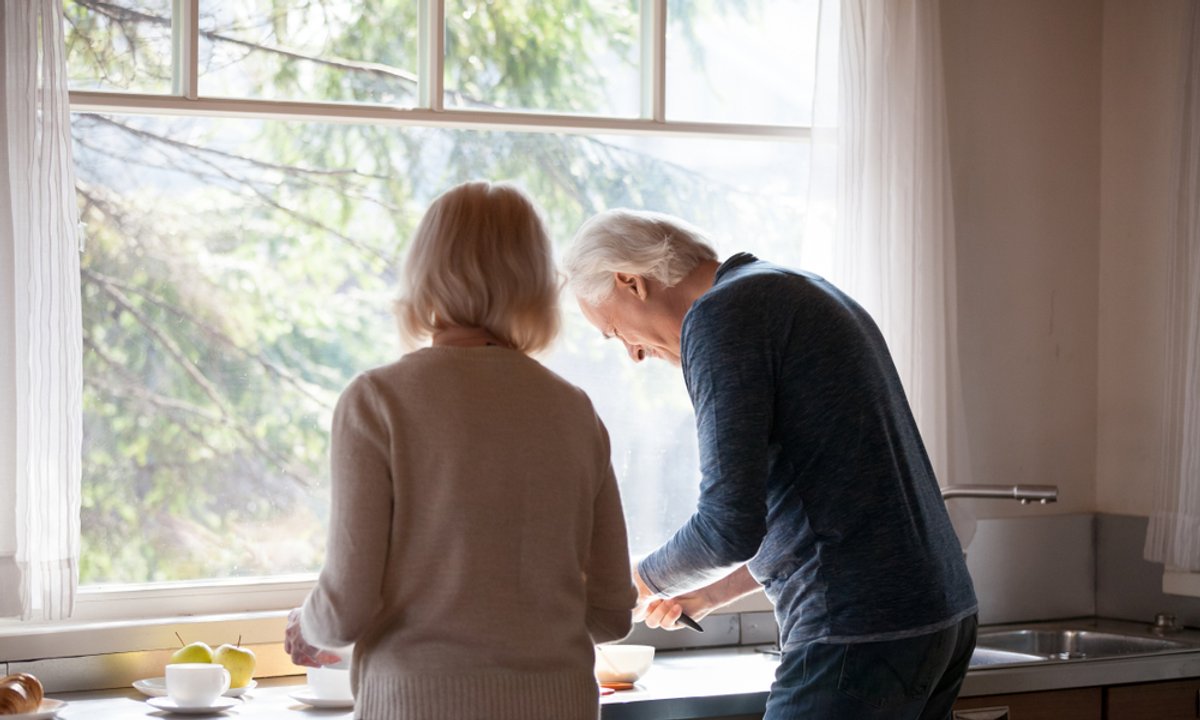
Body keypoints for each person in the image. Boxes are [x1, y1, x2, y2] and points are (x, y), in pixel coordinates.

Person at [562, 209, 978, 720]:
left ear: (631, 281)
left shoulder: (720, 317)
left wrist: (630, 584)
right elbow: (826, 508)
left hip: (857, 632)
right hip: (939, 617)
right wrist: (709, 593)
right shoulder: (798, 289)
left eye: (613, 329)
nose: (632, 353)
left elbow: (727, 527)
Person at [285, 181, 637, 720]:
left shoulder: (377, 402)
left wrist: (307, 627)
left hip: (418, 705)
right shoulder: (573, 410)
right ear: (537, 281)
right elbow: (612, 614)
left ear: (423, 272)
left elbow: (342, 614)